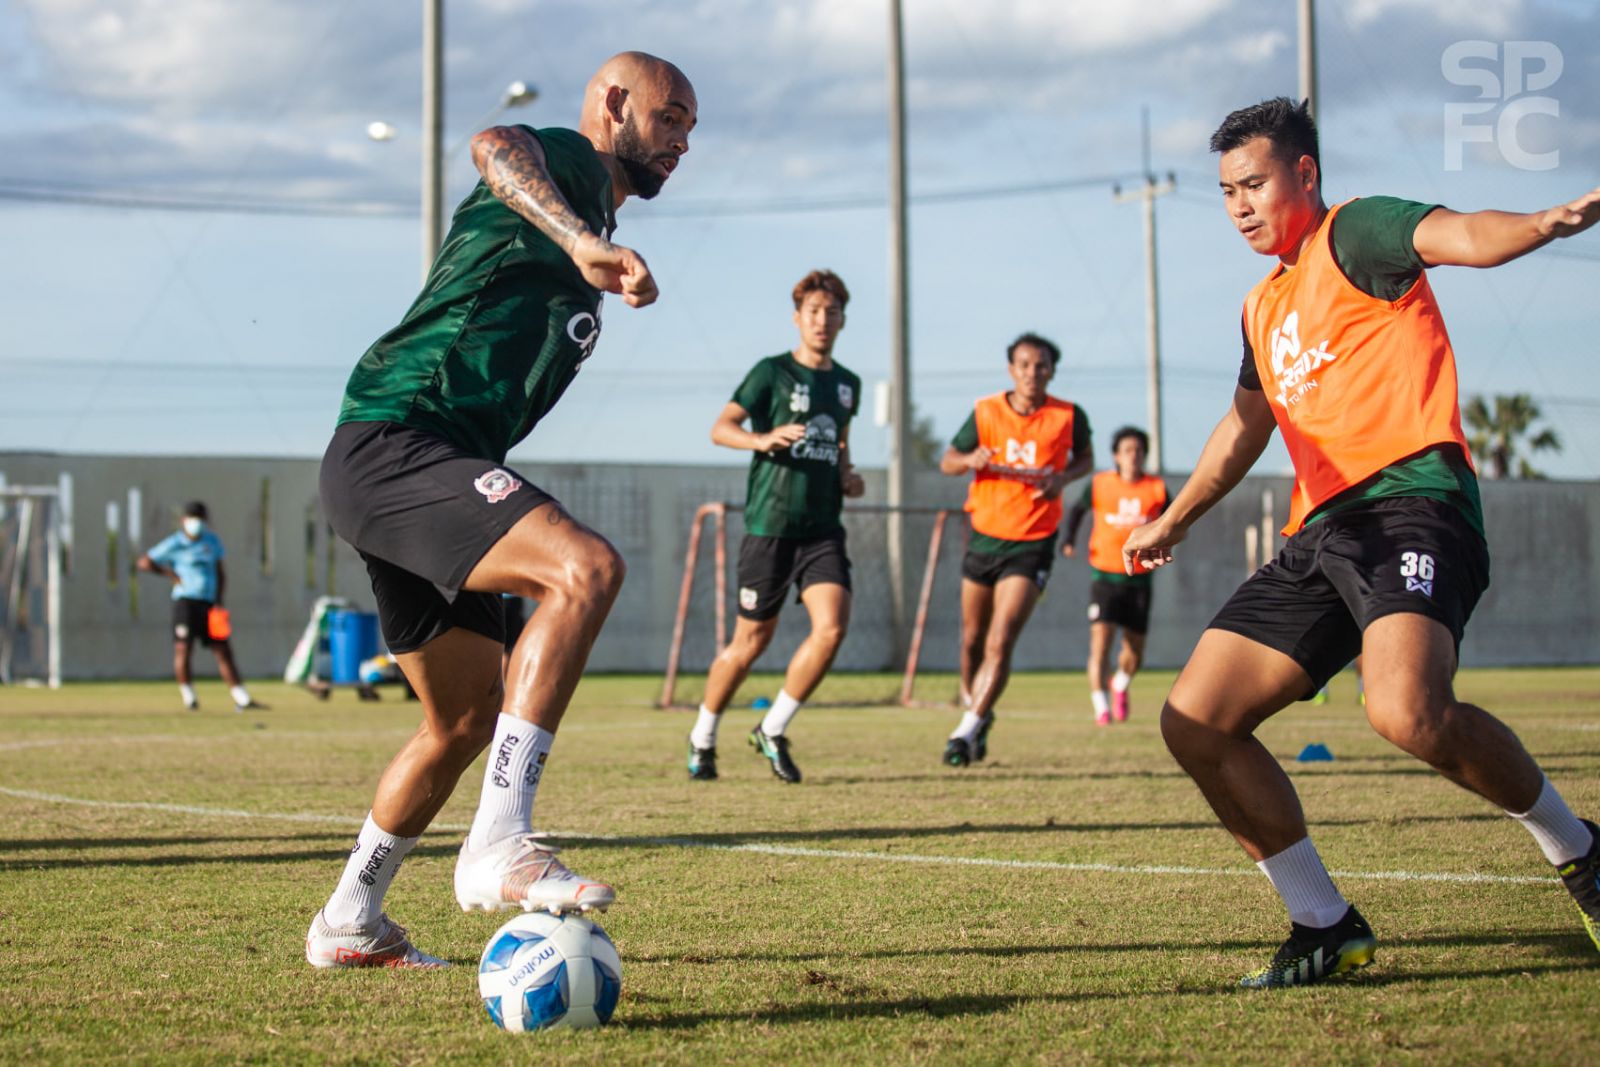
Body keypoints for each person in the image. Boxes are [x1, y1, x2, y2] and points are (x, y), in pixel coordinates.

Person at [1120, 97, 1600, 988]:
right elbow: (1242, 427)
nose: (1241, 206)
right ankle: (1322, 923)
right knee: (1195, 719)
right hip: (1322, 531)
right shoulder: (1260, 308)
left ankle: (1581, 852)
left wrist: (1547, 220)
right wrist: (1174, 516)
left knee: (1405, 711)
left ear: (1304, 173)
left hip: (1413, 505)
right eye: (1227, 191)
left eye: (1255, 183)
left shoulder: (1357, 232)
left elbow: (1461, 234)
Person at [305, 52, 697, 969]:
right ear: (612, 105)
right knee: (586, 567)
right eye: (669, 117)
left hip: (426, 462)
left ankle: (349, 919)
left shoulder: (595, 220)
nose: (681, 141)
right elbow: (493, 143)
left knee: (462, 720)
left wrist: (591, 246)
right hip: (397, 439)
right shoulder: (560, 165)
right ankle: (499, 841)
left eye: (690, 129)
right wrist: (577, 240)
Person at [684, 269, 865, 784]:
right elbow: (721, 429)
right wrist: (762, 440)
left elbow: (840, 445)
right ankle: (702, 734)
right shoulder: (771, 373)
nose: (822, 321)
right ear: (797, 318)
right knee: (750, 644)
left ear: (842, 320)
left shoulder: (847, 385)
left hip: (823, 528)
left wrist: (848, 476)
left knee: (831, 628)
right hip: (770, 526)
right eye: (813, 312)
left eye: (831, 313)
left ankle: (773, 728)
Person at [939, 333, 1091, 767]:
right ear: (1011, 369)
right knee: (971, 639)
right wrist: (969, 461)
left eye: (1040, 365)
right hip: (984, 535)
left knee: (1000, 638)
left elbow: (1085, 459)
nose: (1032, 373)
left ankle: (965, 729)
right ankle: (977, 713)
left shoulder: (1067, 416)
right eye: (1024, 364)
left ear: (1051, 371)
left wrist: (1062, 479)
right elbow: (947, 460)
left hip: (1032, 541)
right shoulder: (986, 411)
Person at [1061, 427, 1167, 725]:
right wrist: (1068, 540)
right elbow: (1077, 511)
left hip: (1140, 579)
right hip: (1105, 576)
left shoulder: (1156, 488)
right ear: (1116, 456)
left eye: (1138, 450)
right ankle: (1101, 709)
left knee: (1134, 652)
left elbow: (1173, 520)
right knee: (1101, 644)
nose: (1133, 456)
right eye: (1127, 450)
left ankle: (1119, 684)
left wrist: (1164, 543)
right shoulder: (1100, 484)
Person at [137, 501, 260, 712]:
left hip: (210, 603)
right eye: (194, 519)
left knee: (222, 650)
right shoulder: (176, 543)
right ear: (184, 520)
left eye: (201, 519)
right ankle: (189, 697)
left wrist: (219, 599)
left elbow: (220, 571)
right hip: (185, 602)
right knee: (184, 648)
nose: (197, 524)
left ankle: (242, 697)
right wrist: (172, 575)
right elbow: (144, 562)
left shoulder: (212, 542)